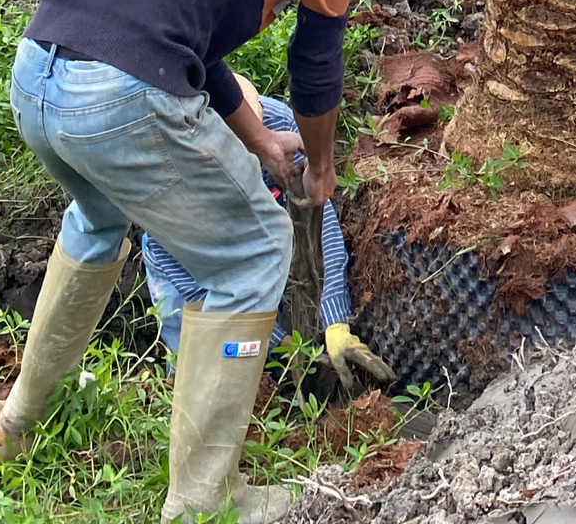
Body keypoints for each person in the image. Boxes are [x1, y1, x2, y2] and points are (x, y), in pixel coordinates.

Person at [0, 0, 370, 524]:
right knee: (254, 248)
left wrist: (261, 140)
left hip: (37, 76)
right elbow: (316, 63)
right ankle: (203, 503)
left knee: (98, 219)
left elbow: (190, 43)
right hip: (119, 97)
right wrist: (319, 165)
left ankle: (19, 419)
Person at [141, 84, 393, 399]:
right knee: (204, 373)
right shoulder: (169, 181)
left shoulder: (278, 127)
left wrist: (335, 320)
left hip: (256, 238)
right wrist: (279, 345)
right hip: (189, 275)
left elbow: (320, 219)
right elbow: (206, 292)